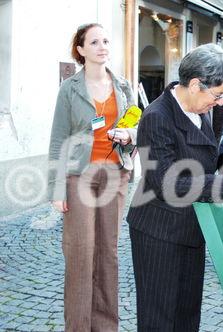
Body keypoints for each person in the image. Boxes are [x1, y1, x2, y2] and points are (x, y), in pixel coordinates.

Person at [126, 43, 223, 331]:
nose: (220, 103)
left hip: (193, 225)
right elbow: (165, 182)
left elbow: (208, 160)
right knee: (160, 318)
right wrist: (222, 183)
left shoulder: (202, 109)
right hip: (159, 230)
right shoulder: (157, 117)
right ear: (195, 84)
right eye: (218, 94)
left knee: (186, 313)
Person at [47, 23, 137, 331]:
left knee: (108, 253)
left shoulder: (124, 87)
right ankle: (78, 326)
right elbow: (59, 139)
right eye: (94, 42)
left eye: (106, 40)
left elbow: (136, 124)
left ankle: (105, 325)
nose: (102, 46)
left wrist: (129, 134)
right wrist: (57, 189)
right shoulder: (70, 89)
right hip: (79, 178)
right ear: (81, 50)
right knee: (80, 254)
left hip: (115, 176)